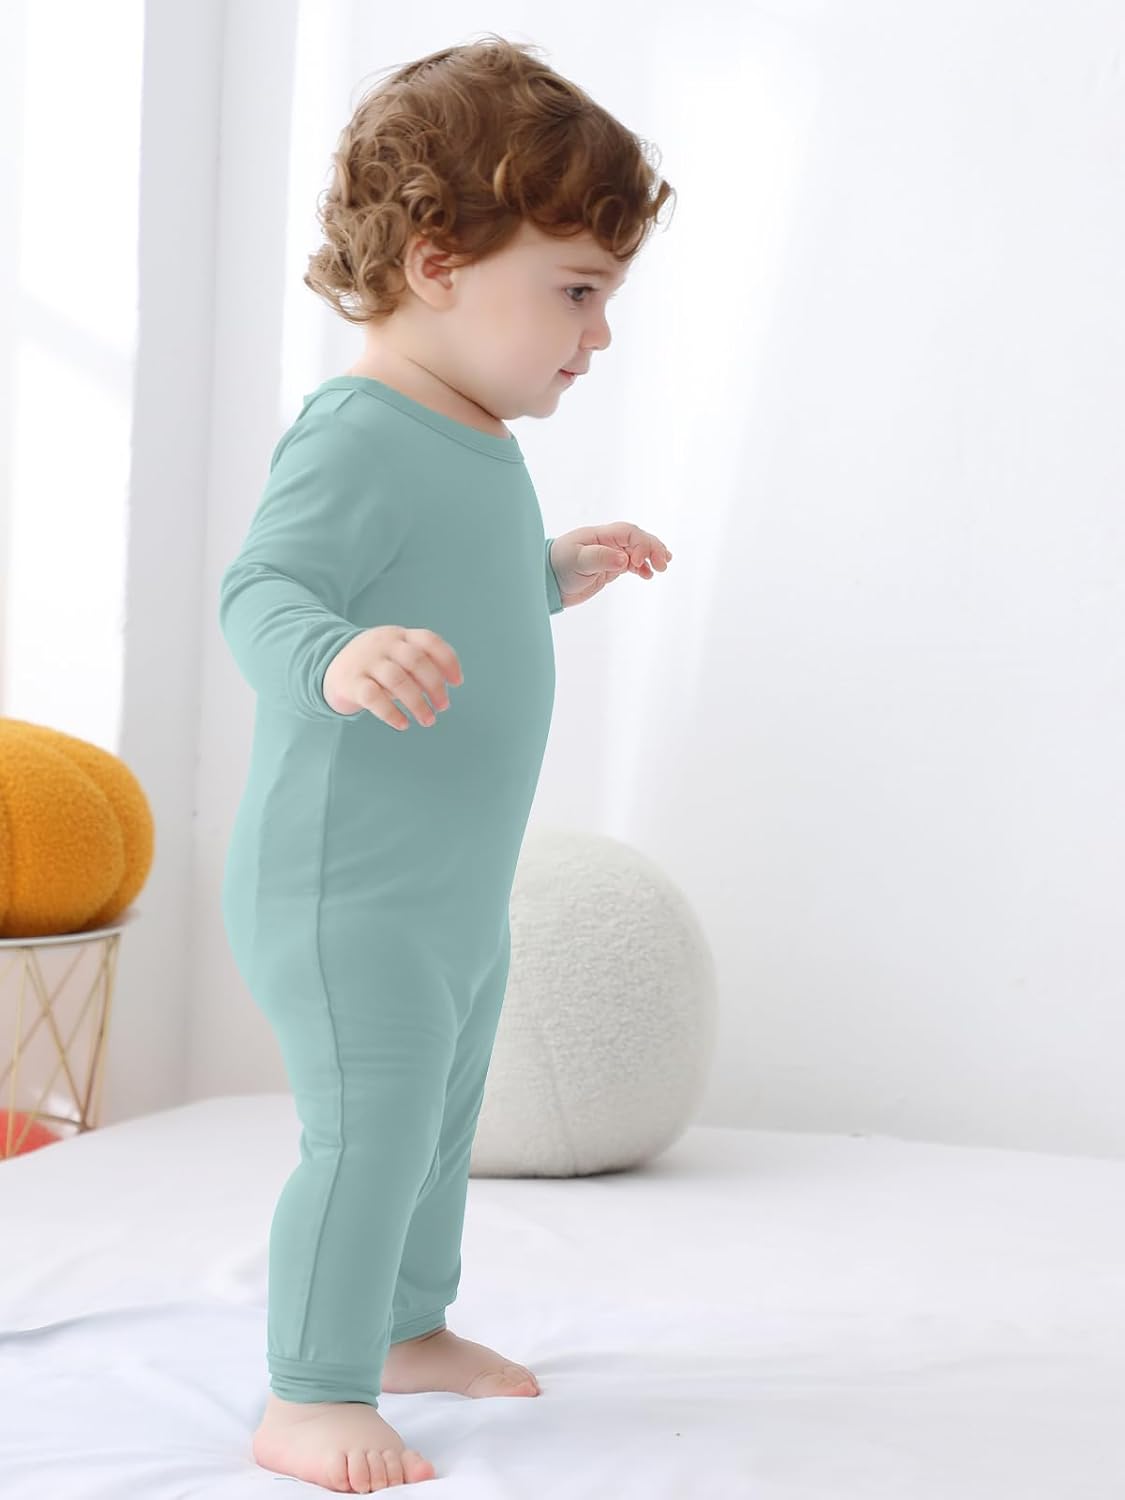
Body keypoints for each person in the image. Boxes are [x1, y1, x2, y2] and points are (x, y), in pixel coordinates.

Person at [219, 33, 675, 1493]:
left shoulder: (468, 437)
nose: (597, 336)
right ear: (437, 264)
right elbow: (262, 590)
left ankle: (408, 1325)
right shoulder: (357, 430)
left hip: (447, 892)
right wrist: (333, 655)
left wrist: (548, 574)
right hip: (344, 887)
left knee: (435, 1124)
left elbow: (455, 591)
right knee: (370, 1132)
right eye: (577, 291)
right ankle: (310, 1393)